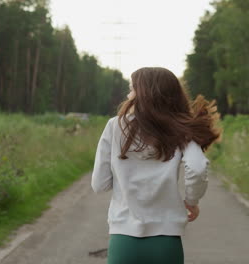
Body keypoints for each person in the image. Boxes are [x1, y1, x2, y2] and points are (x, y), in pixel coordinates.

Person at [91, 67, 222, 264]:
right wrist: (191, 201)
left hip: (124, 240)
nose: (128, 95)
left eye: (132, 89)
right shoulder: (179, 128)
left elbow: (99, 185)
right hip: (166, 242)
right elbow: (197, 167)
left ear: (143, 94)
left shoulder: (114, 126)